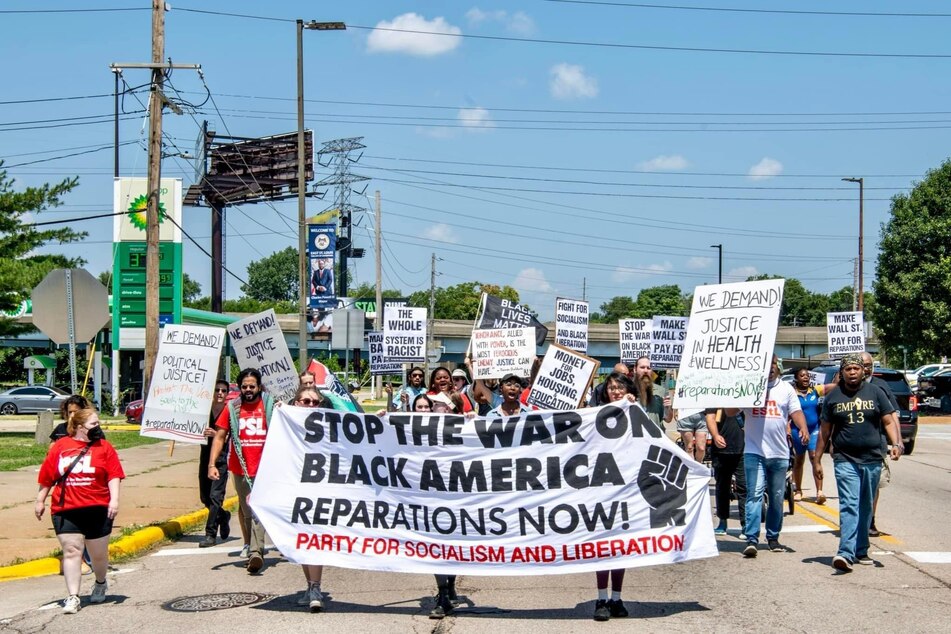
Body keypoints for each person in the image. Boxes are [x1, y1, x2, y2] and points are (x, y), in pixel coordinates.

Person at [816, 354, 902, 572]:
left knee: (865, 507)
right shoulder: (833, 397)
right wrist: (816, 459)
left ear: (863, 371)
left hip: (872, 458)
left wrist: (897, 443)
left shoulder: (876, 393)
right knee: (849, 505)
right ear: (842, 372)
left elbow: (889, 420)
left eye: (856, 368)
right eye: (848, 369)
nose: (852, 372)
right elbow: (825, 432)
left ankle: (861, 549)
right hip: (845, 459)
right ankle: (845, 552)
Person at [35, 408, 125, 615]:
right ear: (79, 427)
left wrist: (114, 500)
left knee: (98, 555)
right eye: (94, 424)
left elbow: (114, 475)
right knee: (72, 551)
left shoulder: (104, 447)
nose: (98, 427)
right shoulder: (61, 447)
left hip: (98, 508)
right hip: (66, 508)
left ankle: (100, 582)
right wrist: (40, 500)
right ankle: (73, 596)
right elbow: (47, 476)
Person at [728, 354, 810, 557]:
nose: (770, 368)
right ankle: (752, 538)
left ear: (778, 367)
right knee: (755, 494)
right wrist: (733, 395)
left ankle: (773, 537)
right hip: (754, 452)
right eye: (766, 365)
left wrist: (803, 428)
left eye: (773, 364)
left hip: (779, 454)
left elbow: (796, 412)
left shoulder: (786, 389)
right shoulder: (750, 388)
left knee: (775, 497)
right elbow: (730, 412)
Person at [208, 368, 276, 574]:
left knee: (259, 510)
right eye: (245, 386)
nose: (248, 390)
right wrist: (212, 465)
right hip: (241, 469)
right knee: (247, 511)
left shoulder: (270, 406)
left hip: (266, 468)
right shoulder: (232, 408)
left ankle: (256, 552)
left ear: (259, 386)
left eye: (252, 386)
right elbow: (220, 436)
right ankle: (251, 548)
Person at [592, 371, 638, 621]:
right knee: (602, 546)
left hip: (626, 488)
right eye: (611, 387)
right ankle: (601, 598)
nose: (616, 391)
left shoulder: (635, 411)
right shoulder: (595, 415)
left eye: (620, 387)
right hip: (601, 488)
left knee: (620, 547)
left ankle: (617, 599)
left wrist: (633, 407)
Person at [291, 385, 333, 611]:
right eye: (305, 402)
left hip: (320, 490)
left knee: (314, 538)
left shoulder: (329, 426)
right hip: (295, 489)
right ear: (296, 403)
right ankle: (309, 586)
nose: (310, 406)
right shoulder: (286, 425)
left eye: (314, 402)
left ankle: (316, 588)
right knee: (302, 539)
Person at [50, 395, 95, 574]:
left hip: (86, 485)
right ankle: (79, 559)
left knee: (87, 526)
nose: (72, 415)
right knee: (71, 528)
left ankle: (91, 558)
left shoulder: (91, 431)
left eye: (77, 412)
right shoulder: (60, 430)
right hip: (65, 487)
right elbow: (51, 454)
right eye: (70, 412)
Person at [862, 351, 899, 537]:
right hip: (850, 447)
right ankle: (854, 521)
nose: (866, 368)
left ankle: (870, 520)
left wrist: (897, 443)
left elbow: (892, 416)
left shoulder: (881, 386)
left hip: (877, 445)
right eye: (863, 365)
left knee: (874, 486)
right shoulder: (846, 387)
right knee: (855, 487)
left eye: (869, 365)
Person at [198, 379, 232, 548]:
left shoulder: (229, 412)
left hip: (221, 460)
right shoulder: (203, 412)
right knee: (205, 497)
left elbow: (228, 437)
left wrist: (216, 435)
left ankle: (210, 534)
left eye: (223, 391)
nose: (220, 393)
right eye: (217, 390)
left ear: (227, 394)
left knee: (215, 497)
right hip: (204, 458)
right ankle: (223, 516)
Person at [706, 408, 747, 535]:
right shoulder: (717, 393)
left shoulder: (744, 393)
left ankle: (745, 524)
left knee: (744, 487)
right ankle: (722, 521)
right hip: (721, 450)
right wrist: (715, 435)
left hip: (744, 448)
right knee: (722, 487)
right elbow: (710, 416)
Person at [790, 367, 827, 504]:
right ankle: (798, 490)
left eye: (807, 376)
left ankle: (819, 492)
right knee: (799, 460)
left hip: (815, 430)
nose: (805, 378)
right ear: (796, 378)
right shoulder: (792, 394)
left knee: (814, 457)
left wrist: (840, 374)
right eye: (802, 375)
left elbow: (834, 386)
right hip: (797, 431)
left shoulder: (815, 391)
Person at [632, 356, 673, 431]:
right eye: (642, 367)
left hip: (655, 439)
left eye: (648, 368)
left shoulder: (661, 391)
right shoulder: (627, 390)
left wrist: (668, 408)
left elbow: (668, 419)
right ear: (635, 369)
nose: (645, 371)